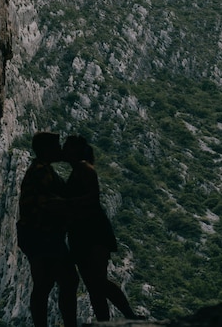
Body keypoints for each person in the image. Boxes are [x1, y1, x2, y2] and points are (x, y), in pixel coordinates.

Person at [63, 135, 141, 322]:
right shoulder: (78, 170)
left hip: (91, 232)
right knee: (94, 284)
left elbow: (92, 197)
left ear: (75, 150)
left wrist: (64, 203)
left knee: (97, 282)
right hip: (85, 233)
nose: (63, 150)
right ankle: (108, 321)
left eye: (66, 147)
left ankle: (126, 316)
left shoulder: (84, 169)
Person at [17, 132, 79, 327]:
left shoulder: (41, 170)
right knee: (66, 281)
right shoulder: (42, 172)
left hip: (37, 236)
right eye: (56, 146)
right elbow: (53, 202)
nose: (59, 149)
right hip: (44, 237)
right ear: (46, 150)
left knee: (45, 284)